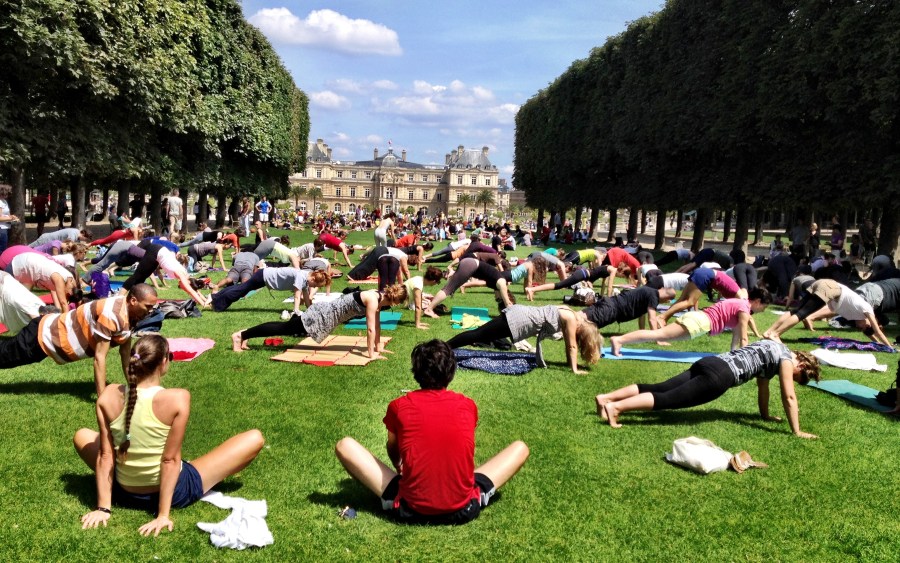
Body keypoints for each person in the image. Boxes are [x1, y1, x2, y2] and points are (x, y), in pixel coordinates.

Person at [74, 334, 264, 536]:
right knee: (254, 438)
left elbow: (105, 455)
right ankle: (164, 494)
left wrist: (103, 508)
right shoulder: (177, 398)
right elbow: (170, 460)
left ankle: (118, 490)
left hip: (123, 491)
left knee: (82, 435)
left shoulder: (109, 394)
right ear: (164, 362)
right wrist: (163, 515)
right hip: (173, 492)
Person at [335, 339, 529, 524]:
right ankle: (460, 489)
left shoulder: (399, 406)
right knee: (520, 448)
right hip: (463, 508)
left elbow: (393, 448)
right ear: (451, 372)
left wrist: (398, 466)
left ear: (416, 372)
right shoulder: (467, 405)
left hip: (409, 509)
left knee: (345, 446)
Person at [595, 340, 820, 438]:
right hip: (720, 376)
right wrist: (797, 431)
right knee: (668, 399)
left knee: (660, 387)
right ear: (801, 365)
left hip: (711, 361)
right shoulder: (785, 359)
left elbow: (763, 388)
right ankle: (616, 409)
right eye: (797, 377)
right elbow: (788, 396)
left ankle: (606, 398)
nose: (792, 378)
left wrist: (765, 416)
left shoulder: (773, 347)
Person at [0, 283, 158, 395]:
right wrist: (102, 396)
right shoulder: (112, 314)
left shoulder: (132, 315)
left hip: (49, 337)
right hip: (43, 336)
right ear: (133, 301)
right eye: (148, 307)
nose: (150, 312)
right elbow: (99, 357)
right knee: (4, 357)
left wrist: (133, 387)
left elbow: (125, 353)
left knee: (5, 350)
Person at [231, 285, 407, 359]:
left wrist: (379, 347)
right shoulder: (373, 300)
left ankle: (246, 335)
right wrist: (371, 353)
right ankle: (241, 335)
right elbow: (370, 330)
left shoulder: (378, 298)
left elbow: (377, 325)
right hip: (320, 316)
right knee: (284, 328)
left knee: (287, 329)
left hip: (325, 315)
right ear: (395, 301)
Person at [610, 288, 772, 356]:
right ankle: (619, 340)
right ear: (757, 301)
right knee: (658, 335)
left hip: (698, 320)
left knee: (659, 335)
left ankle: (620, 341)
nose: (763, 311)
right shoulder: (744, 308)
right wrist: (745, 359)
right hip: (699, 322)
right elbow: (744, 338)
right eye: (763, 307)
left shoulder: (741, 304)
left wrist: (733, 353)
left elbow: (737, 334)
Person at [446, 304, 602, 374]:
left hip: (520, 314)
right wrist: (574, 370)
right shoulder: (571, 320)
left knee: (479, 334)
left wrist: (571, 364)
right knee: (478, 334)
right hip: (519, 319)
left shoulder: (570, 312)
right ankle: (443, 347)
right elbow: (572, 347)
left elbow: (570, 346)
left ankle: (445, 347)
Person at [763, 279, 893, 347]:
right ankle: (775, 334)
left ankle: (769, 332)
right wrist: (889, 347)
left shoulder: (854, 316)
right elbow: (877, 331)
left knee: (796, 311)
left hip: (823, 284)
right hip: (830, 287)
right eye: (865, 326)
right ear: (871, 321)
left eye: (862, 329)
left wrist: (878, 344)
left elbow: (870, 333)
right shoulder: (867, 309)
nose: (860, 327)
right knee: (802, 313)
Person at [211, 267, 328, 314]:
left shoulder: (305, 277)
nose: (313, 286)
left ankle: (216, 298)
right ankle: (217, 305)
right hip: (264, 276)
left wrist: (311, 310)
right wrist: (296, 310)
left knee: (242, 289)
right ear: (313, 278)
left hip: (264, 276)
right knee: (241, 290)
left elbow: (306, 296)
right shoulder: (301, 277)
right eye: (315, 284)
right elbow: (297, 296)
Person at [657, 267, 747, 327]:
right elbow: (747, 318)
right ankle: (662, 317)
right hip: (706, 275)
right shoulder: (742, 300)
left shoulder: (739, 293)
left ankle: (664, 319)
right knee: (690, 302)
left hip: (703, 272)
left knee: (682, 299)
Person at [0, 245, 82, 310]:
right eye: (67, 295)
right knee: (5, 292)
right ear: (70, 293)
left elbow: (74, 294)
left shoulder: (71, 279)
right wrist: (65, 320)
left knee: (20, 299)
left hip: (28, 265)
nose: (65, 296)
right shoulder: (59, 279)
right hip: (17, 263)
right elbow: (63, 302)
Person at [583, 286, 677, 331]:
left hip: (609, 303)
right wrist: (658, 338)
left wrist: (642, 331)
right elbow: (652, 319)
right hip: (611, 309)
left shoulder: (650, 291)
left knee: (580, 317)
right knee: (584, 326)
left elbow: (642, 315)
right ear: (667, 299)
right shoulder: (654, 297)